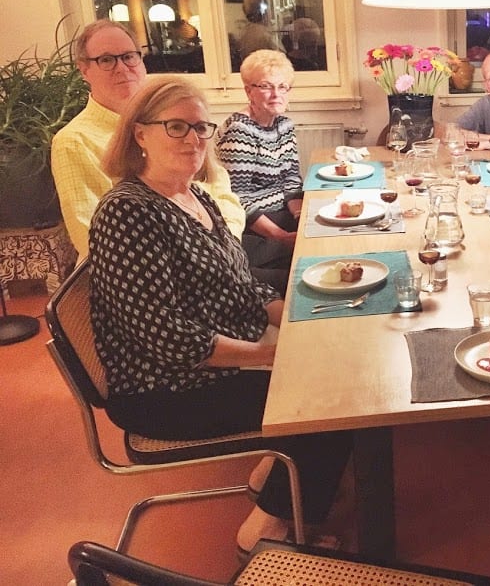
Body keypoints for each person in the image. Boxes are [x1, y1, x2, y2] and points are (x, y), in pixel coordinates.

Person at [87, 76, 351, 555]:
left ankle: (274, 475)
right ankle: (266, 532)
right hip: (164, 389)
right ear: (140, 134)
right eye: (177, 127)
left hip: (210, 361)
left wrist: (300, 318)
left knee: (331, 359)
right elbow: (168, 339)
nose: (194, 139)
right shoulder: (127, 212)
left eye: (201, 128)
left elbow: (245, 287)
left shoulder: (195, 196)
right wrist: (269, 355)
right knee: (332, 399)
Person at [51, 19, 245, 259]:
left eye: (129, 57)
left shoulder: (175, 118)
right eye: (107, 60)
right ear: (84, 70)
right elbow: (91, 238)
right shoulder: (73, 141)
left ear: (141, 62)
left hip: (219, 247)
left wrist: (225, 243)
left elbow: (219, 187)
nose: (121, 68)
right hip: (153, 269)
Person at [216, 50, 301, 286]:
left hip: (281, 217)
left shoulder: (283, 125)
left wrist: (300, 216)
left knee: (323, 233)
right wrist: (283, 237)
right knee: (308, 267)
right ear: (248, 91)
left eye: (283, 87)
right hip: (253, 233)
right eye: (266, 86)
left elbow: (291, 179)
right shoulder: (240, 131)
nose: (276, 94)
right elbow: (237, 199)